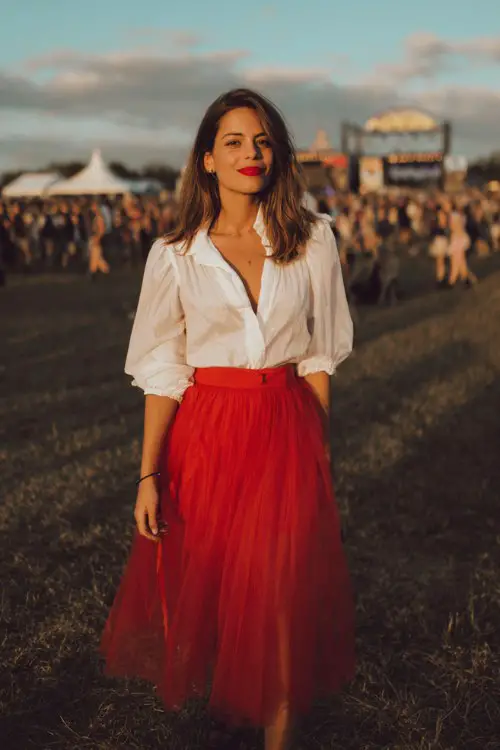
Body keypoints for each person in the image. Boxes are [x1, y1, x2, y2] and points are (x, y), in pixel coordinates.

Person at [100, 88, 355, 750]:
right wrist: (147, 474)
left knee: (277, 592)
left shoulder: (313, 238)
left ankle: (279, 735)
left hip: (285, 426)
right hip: (206, 432)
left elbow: (320, 356)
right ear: (207, 158)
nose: (251, 153)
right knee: (217, 583)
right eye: (235, 142)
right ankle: (234, 695)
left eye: (263, 140)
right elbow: (163, 372)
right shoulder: (177, 253)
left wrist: (316, 449)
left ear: (279, 155)